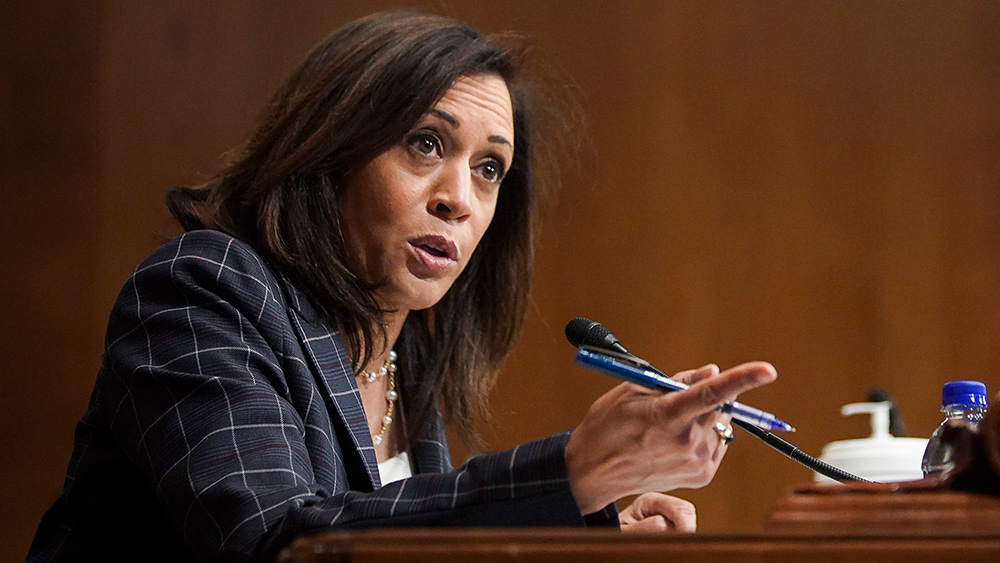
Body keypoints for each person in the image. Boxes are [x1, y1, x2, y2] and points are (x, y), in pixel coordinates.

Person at [27, 10, 777, 563]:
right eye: (425, 143)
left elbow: (401, 538)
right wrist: (572, 474)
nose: (460, 198)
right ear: (331, 150)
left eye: (489, 169)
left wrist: (582, 535)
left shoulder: (401, 352)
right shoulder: (201, 291)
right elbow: (280, 544)